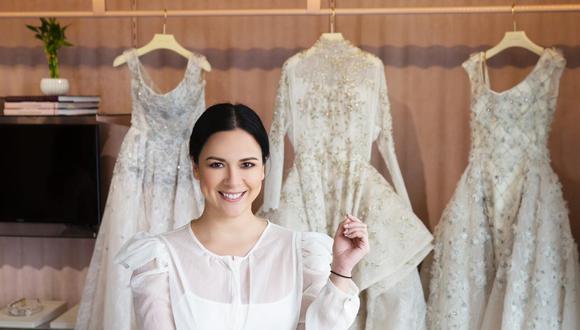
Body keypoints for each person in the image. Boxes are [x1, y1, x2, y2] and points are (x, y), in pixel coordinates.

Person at [116, 103, 370, 329]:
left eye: (247, 164)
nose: (233, 180)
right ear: (195, 168)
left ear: (263, 168)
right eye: (216, 164)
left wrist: (341, 269)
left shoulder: (300, 252)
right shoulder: (159, 260)